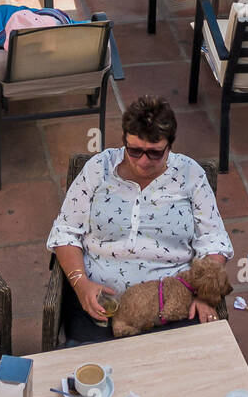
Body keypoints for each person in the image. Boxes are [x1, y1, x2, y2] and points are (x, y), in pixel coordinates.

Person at [47, 96, 233, 344]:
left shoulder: (190, 175)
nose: (144, 161)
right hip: (102, 304)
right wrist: (81, 285)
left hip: (171, 306)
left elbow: (214, 241)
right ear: (124, 140)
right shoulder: (98, 169)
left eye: (155, 153)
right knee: (91, 377)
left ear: (170, 146)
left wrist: (205, 296)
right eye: (134, 150)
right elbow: (66, 232)